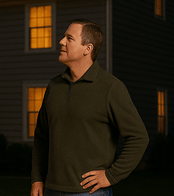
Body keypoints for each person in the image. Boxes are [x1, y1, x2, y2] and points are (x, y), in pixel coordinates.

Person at [31, 19, 149, 196]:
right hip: (50, 189)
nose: (61, 42)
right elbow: (41, 137)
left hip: (89, 192)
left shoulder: (111, 87)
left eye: (69, 38)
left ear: (88, 48)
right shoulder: (54, 86)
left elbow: (139, 137)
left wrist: (111, 176)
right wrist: (37, 179)